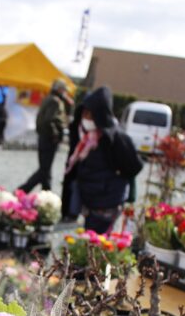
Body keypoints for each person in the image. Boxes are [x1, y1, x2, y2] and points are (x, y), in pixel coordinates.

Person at [61, 86, 143, 233]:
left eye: (89, 114)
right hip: (91, 203)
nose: (85, 118)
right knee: (92, 243)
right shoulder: (87, 137)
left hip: (106, 203)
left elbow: (133, 166)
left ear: (99, 115)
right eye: (84, 114)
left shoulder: (116, 138)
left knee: (97, 245)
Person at [18, 79, 73, 193]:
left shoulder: (48, 98)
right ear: (59, 89)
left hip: (44, 137)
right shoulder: (55, 101)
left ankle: (46, 192)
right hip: (49, 138)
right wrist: (56, 134)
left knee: (46, 168)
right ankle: (23, 190)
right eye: (63, 90)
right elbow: (49, 120)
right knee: (44, 169)